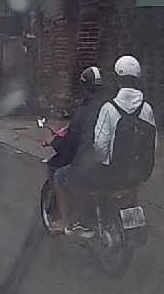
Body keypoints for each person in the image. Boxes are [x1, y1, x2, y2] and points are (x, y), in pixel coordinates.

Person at [68, 55, 157, 237]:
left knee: (76, 176)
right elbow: (153, 143)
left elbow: (100, 146)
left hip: (112, 172)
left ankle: (85, 223)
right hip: (139, 172)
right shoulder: (147, 108)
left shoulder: (109, 108)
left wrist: (98, 163)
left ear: (117, 79)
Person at [46, 66, 109, 234]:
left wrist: (55, 143)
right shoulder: (110, 106)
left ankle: (66, 222)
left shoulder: (84, 110)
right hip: (114, 163)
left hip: (91, 162)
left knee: (60, 176)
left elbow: (72, 140)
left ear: (85, 87)